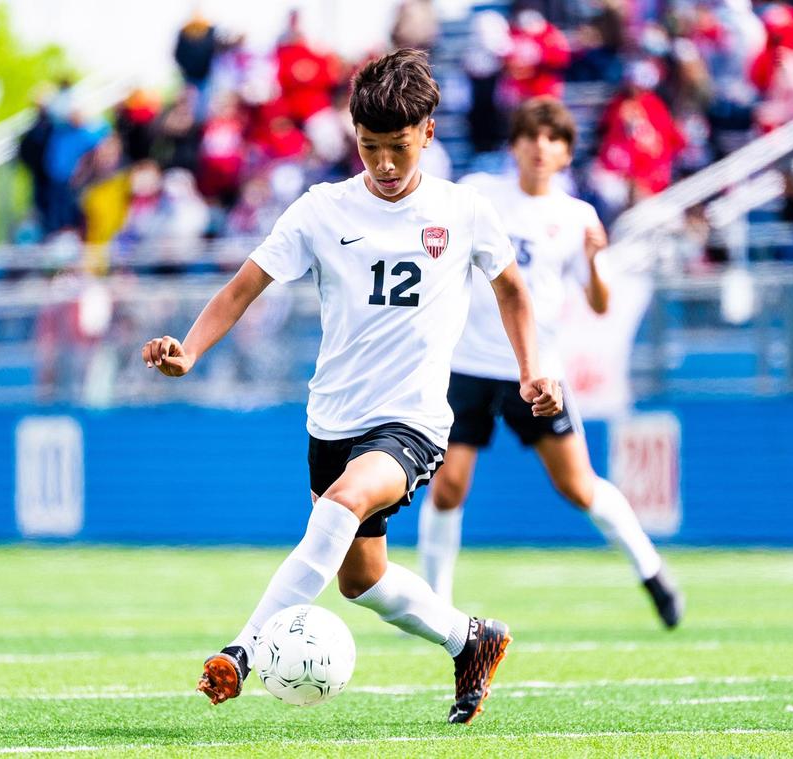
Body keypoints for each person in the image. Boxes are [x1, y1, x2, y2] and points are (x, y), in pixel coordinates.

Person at [141, 49, 562, 725]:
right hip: (332, 420)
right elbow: (244, 285)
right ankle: (471, 639)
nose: (387, 166)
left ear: (427, 132)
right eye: (371, 149)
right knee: (360, 579)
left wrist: (532, 368)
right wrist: (189, 349)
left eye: (398, 147)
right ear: (353, 135)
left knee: (340, 502)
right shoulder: (321, 210)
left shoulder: (462, 209)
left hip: (413, 421)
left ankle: (241, 651)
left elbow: (513, 290)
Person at [415, 96, 684, 629]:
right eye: (531, 136)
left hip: (536, 370)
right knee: (448, 486)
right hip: (468, 363)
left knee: (578, 485)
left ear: (566, 153)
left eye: (553, 138)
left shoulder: (576, 216)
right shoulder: (478, 194)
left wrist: (593, 260)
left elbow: (600, 302)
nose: (541, 147)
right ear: (513, 145)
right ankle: (438, 607)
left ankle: (652, 572)